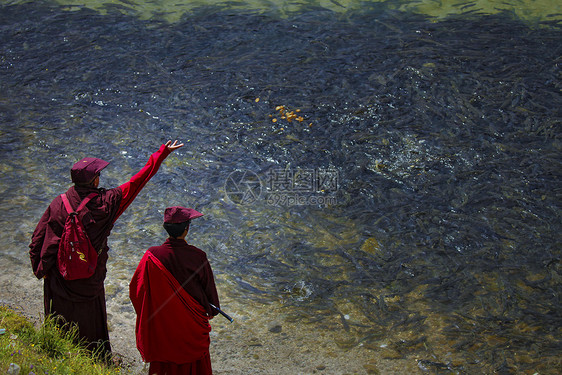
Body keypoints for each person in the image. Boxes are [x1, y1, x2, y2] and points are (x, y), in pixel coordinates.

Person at [29, 140, 184, 362]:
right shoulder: (107, 203)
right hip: (89, 277)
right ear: (94, 180)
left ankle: (57, 355)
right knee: (92, 321)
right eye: (98, 174)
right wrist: (161, 154)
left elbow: (38, 240)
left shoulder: (58, 203)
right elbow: (138, 181)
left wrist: (40, 269)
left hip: (59, 279)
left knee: (60, 320)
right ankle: (98, 361)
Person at [129, 206, 220, 375]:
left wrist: (152, 313)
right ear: (187, 229)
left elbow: (136, 290)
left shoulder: (151, 256)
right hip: (191, 328)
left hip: (163, 326)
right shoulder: (198, 256)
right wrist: (210, 310)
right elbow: (211, 299)